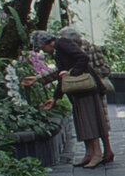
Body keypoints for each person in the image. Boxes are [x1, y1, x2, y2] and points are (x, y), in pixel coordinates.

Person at [23, 29, 114, 168]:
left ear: (47, 43)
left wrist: (72, 72)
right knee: (84, 121)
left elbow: (82, 58)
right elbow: (61, 74)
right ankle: (90, 153)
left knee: (90, 121)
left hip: (85, 89)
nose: (43, 51)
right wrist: (55, 98)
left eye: (42, 48)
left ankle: (97, 153)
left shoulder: (62, 44)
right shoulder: (59, 49)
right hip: (78, 91)